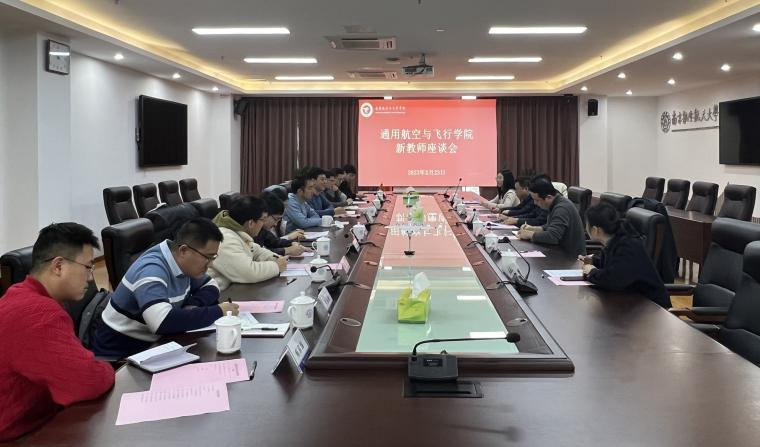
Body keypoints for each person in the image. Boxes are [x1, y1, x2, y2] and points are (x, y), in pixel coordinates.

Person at [0, 223, 114, 441]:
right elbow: (89, 381)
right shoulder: (39, 313)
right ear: (58, 266)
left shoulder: (20, 293)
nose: (91, 277)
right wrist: (98, 365)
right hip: (16, 436)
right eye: (88, 267)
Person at [93, 218, 238, 358]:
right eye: (208, 257)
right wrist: (219, 311)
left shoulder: (182, 262)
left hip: (157, 342)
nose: (211, 264)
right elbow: (162, 322)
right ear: (184, 250)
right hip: (122, 350)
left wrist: (193, 305)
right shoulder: (151, 269)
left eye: (213, 257)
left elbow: (211, 285)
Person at [579, 203, 670, 308]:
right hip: (633, 303)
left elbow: (613, 280)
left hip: (652, 308)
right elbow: (615, 266)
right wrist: (593, 261)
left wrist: (592, 271)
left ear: (596, 230)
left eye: (587, 225)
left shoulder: (628, 245)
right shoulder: (617, 239)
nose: (585, 228)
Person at [208, 196, 289, 290]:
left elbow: (257, 251)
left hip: (234, 288)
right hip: (219, 294)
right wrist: (276, 266)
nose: (263, 223)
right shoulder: (225, 238)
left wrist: (276, 258)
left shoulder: (239, 232)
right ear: (251, 223)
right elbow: (248, 273)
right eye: (263, 219)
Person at [517, 177, 586, 257]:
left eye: (537, 200)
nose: (535, 203)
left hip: (571, 258)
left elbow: (553, 236)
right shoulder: (555, 203)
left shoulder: (561, 208)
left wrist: (530, 234)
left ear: (549, 197)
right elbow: (550, 226)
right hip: (559, 252)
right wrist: (533, 228)